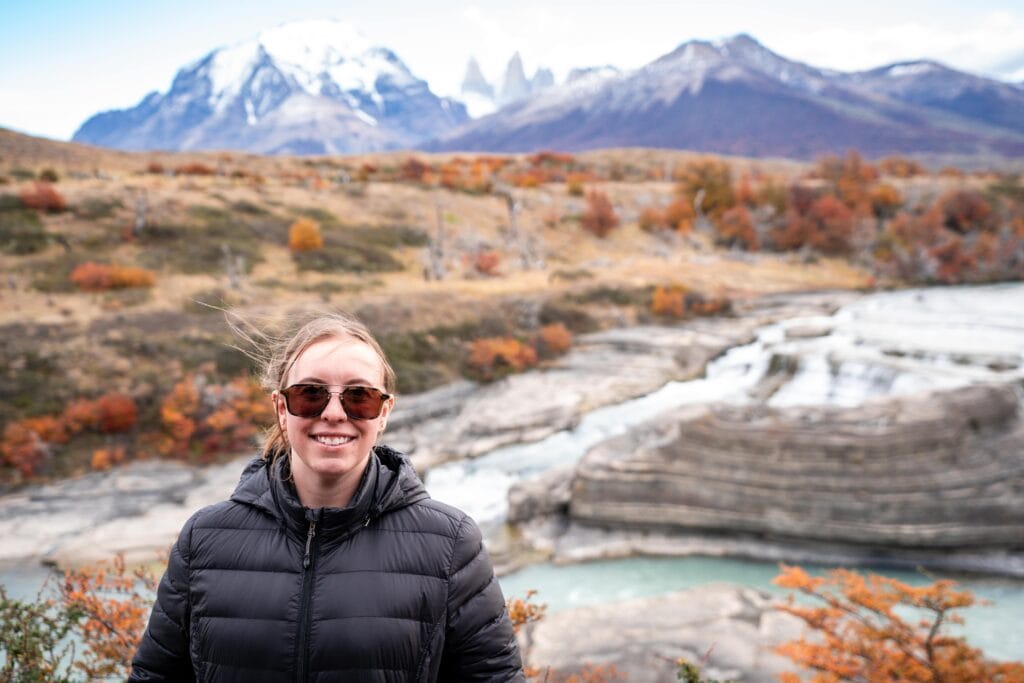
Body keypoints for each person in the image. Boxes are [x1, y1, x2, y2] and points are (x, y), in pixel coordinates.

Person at [130, 311, 525, 682]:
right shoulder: (205, 539)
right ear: (281, 408)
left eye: (359, 397)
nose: (334, 413)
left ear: (384, 412)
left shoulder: (450, 543)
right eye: (311, 394)